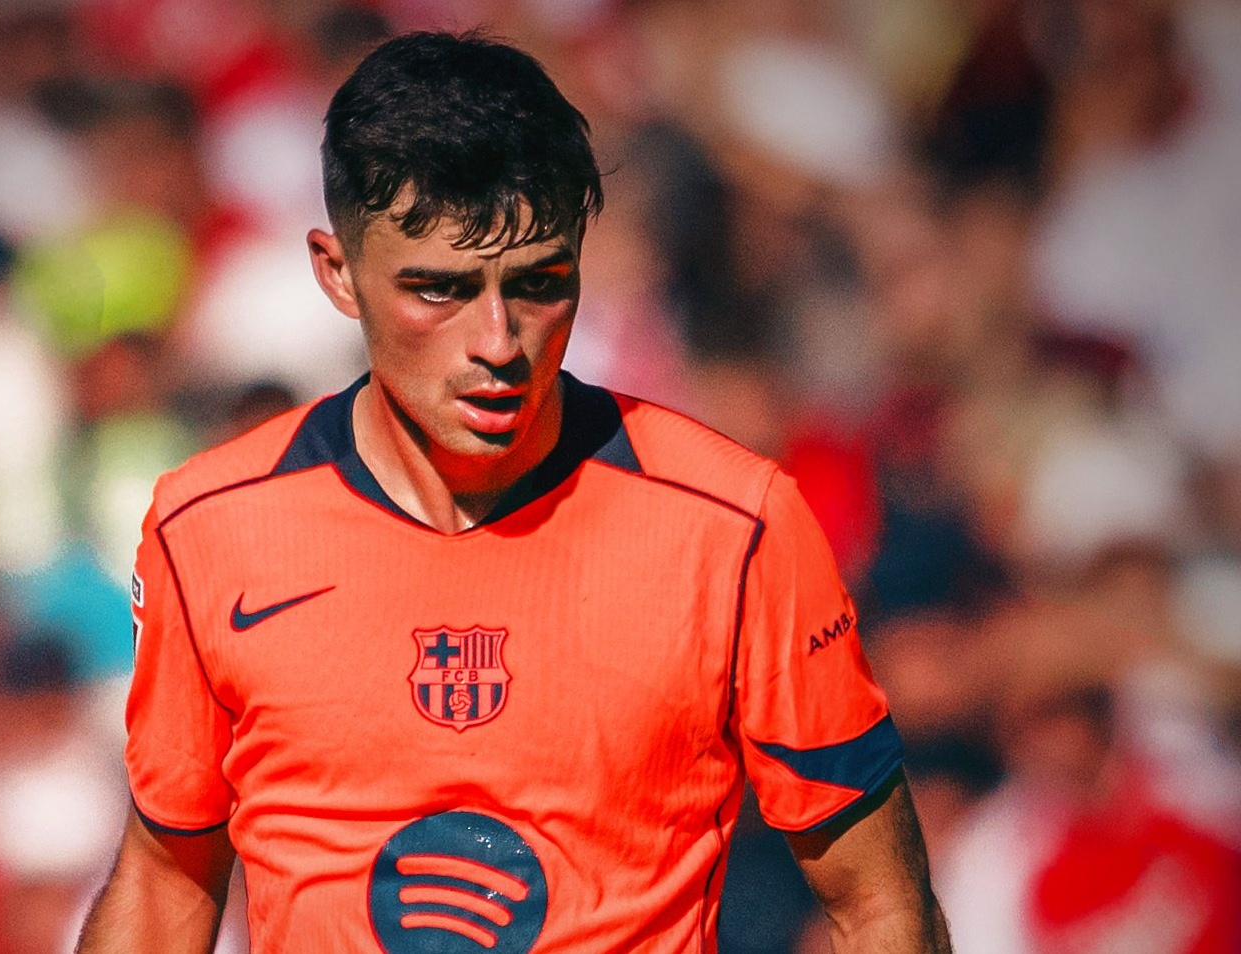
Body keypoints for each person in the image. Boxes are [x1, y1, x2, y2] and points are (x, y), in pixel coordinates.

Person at [78, 31, 952, 954]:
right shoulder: (208, 530)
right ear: (337, 274)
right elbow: (165, 884)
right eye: (440, 291)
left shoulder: (735, 527)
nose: (498, 342)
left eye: (538, 284)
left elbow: (880, 905)